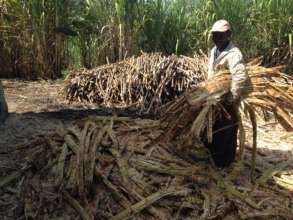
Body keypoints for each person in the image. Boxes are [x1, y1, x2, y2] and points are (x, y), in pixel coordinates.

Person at [205, 19, 249, 167]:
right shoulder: (214, 51)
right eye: (215, 35)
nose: (217, 37)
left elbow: (240, 76)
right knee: (215, 127)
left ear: (228, 34)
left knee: (227, 128)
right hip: (215, 96)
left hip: (227, 98)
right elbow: (212, 71)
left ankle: (225, 162)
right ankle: (214, 156)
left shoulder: (234, 53)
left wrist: (232, 97)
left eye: (220, 34)